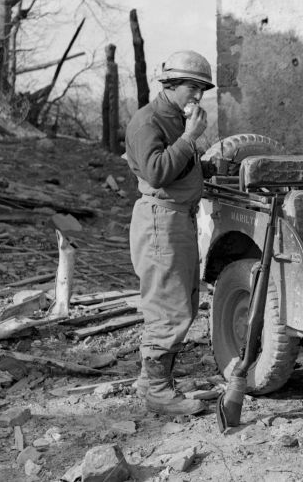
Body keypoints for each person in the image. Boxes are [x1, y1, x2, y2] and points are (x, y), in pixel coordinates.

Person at [125, 50, 217, 416]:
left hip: (178, 217)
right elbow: (158, 172)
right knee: (168, 306)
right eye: (191, 88)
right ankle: (159, 391)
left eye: (201, 89)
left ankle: (151, 381)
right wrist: (191, 136)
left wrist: (205, 165)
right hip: (160, 219)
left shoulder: (175, 117)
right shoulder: (147, 122)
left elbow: (180, 167)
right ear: (169, 84)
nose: (197, 96)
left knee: (182, 301)